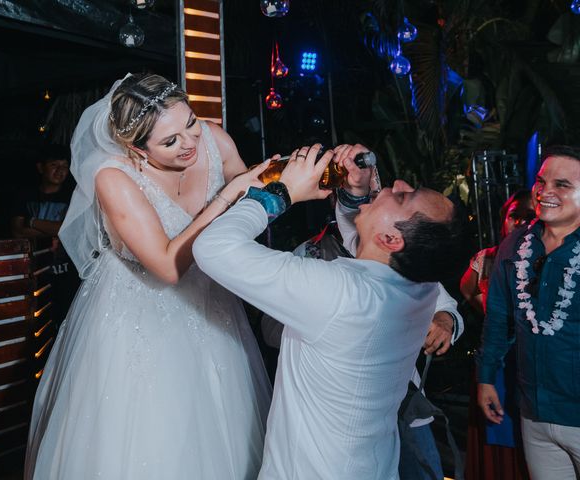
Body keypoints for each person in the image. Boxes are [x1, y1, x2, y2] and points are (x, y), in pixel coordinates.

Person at [24, 73, 272, 479]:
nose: (191, 143)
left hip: (213, 304)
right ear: (134, 147)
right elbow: (167, 266)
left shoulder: (216, 140)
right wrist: (229, 196)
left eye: (190, 123)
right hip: (139, 316)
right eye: (170, 142)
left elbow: (254, 209)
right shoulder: (114, 178)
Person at [194, 143, 464, 479]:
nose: (397, 185)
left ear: (392, 239)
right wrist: (358, 192)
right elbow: (365, 244)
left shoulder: (341, 293)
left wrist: (283, 191)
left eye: (403, 198)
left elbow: (213, 248)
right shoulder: (419, 286)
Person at [477, 145, 580, 479]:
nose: (545, 191)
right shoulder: (515, 245)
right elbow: (499, 319)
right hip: (534, 416)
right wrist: (486, 376)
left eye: (561, 184)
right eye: (540, 181)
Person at [461, 189, 535, 480]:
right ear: (505, 219)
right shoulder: (488, 257)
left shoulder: (545, 257)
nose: (519, 222)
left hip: (530, 360)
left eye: (528, 216)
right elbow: (467, 288)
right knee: (498, 430)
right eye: (514, 215)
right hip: (497, 359)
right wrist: (490, 313)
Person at [11, 145, 79, 329]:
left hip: (64, 272)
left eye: (64, 166)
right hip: (32, 270)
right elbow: (17, 231)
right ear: (41, 167)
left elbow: (68, 229)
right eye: (54, 165)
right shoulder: (25, 194)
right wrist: (55, 229)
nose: (60, 171)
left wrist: (32, 222)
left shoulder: (73, 196)